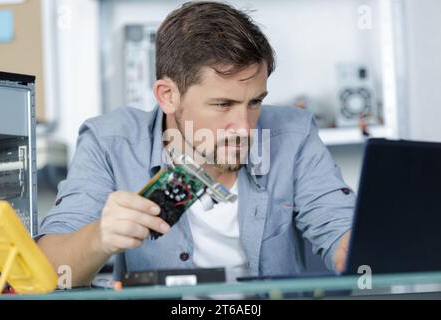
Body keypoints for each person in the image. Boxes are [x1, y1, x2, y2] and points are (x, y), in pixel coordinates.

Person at [37, 1, 354, 287]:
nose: (245, 128)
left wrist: (357, 247)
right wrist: (99, 238)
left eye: (255, 102)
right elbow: (47, 272)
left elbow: (342, 234)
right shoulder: (109, 144)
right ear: (168, 96)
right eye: (222, 105)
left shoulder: (293, 135)